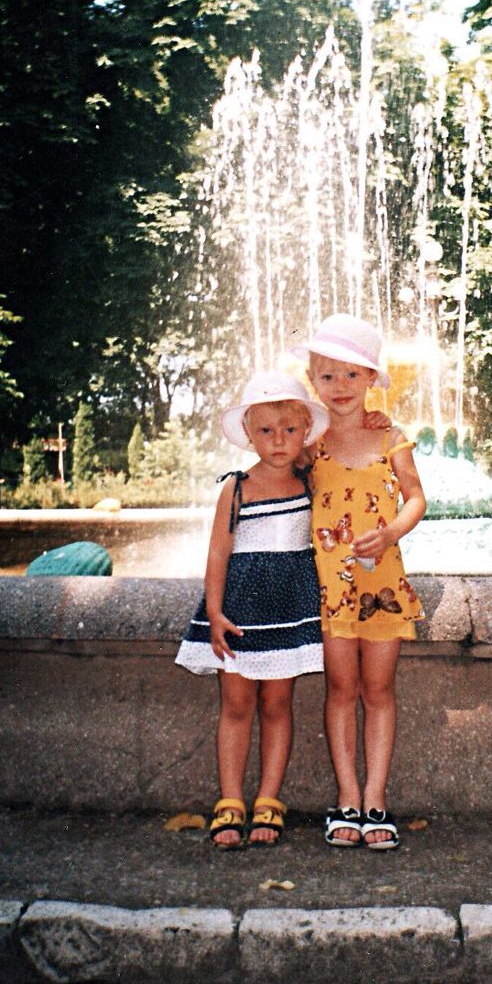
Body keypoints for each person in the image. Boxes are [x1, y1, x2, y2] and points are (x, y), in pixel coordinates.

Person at [175, 371, 329, 849]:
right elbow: (218, 553)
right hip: (241, 610)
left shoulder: (311, 480)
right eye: (266, 430)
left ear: (305, 432)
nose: (278, 440)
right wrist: (215, 613)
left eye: (289, 430)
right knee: (237, 705)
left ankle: (268, 798)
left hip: (287, 608)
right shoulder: (236, 488)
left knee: (277, 705)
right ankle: (229, 800)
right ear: (248, 434)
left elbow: (351, 453)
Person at [292, 313, 427, 850]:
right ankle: (347, 796)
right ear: (313, 380)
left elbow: (416, 497)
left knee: (379, 690)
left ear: (371, 378)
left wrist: (392, 531)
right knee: (341, 689)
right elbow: (271, 452)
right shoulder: (308, 441)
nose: (340, 387)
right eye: (328, 377)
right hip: (328, 587)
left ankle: (376, 797)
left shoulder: (391, 436)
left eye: (352, 375)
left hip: (383, 587)